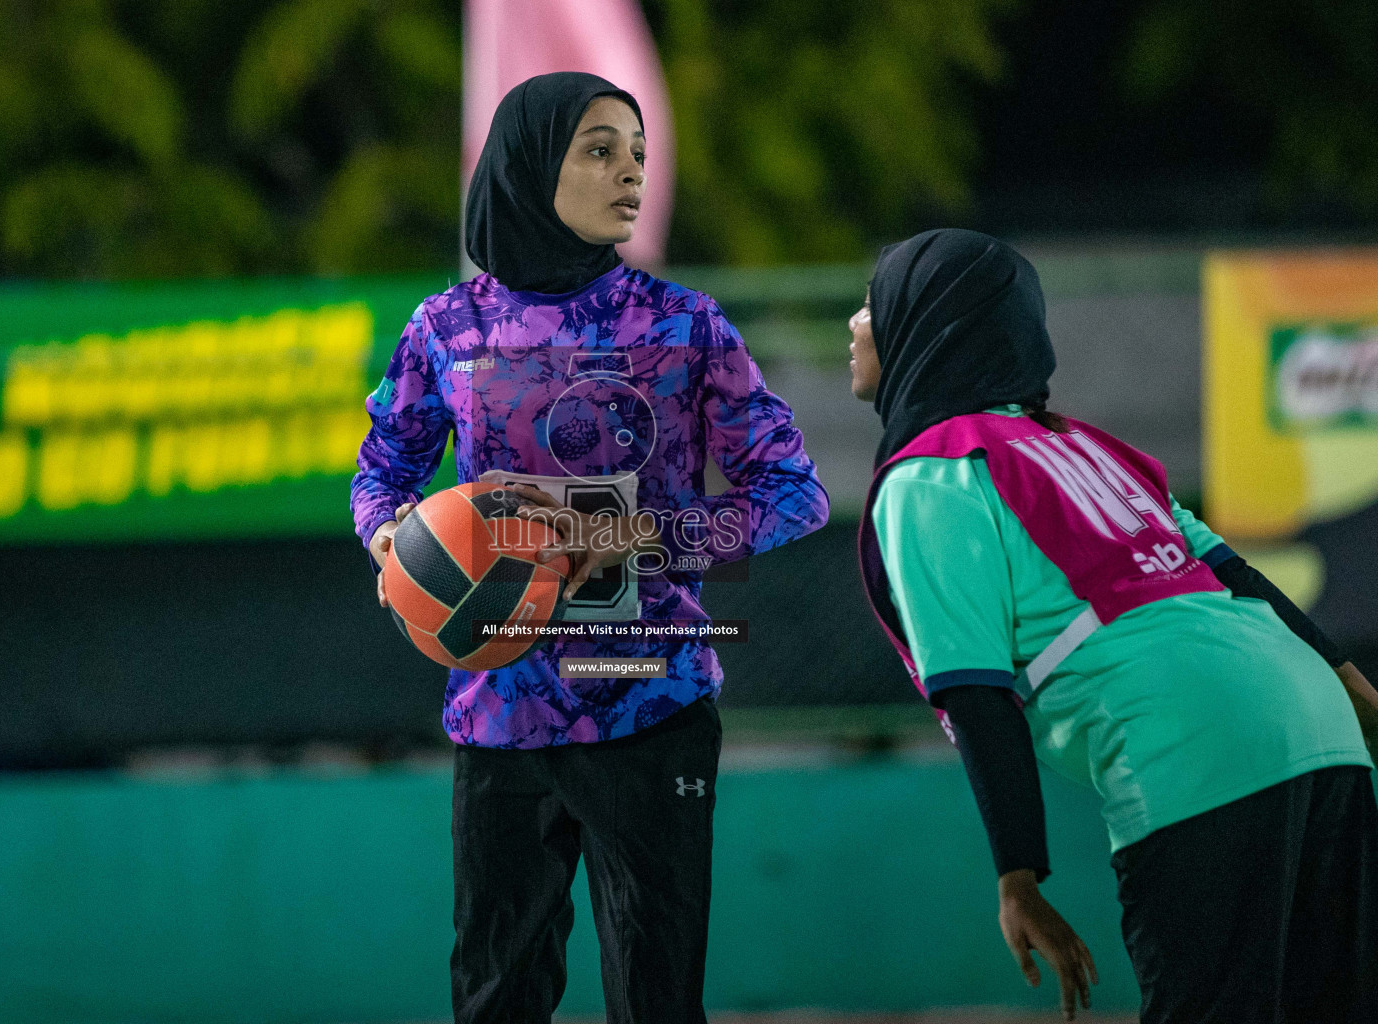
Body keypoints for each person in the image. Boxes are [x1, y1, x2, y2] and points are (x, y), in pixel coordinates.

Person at [351, 72, 828, 1023]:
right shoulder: (446, 329)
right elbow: (379, 476)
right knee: (494, 998)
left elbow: (796, 498)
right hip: (500, 711)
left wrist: (647, 538)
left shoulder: (687, 325)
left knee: (657, 1002)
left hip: (653, 703)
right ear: (531, 165)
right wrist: (395, 540)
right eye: (601, 149)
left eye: (640, 155)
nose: (631, 174)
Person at [849, 228, 1378, 1023]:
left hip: (1196, 746)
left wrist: (1018, 877)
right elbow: (1237, 575)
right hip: (1320, 729)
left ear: (927, 327)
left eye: (876, 303)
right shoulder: (1091, 447)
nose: (856, 321)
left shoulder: (932, 474)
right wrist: (1355, 694)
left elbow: (974, 688)